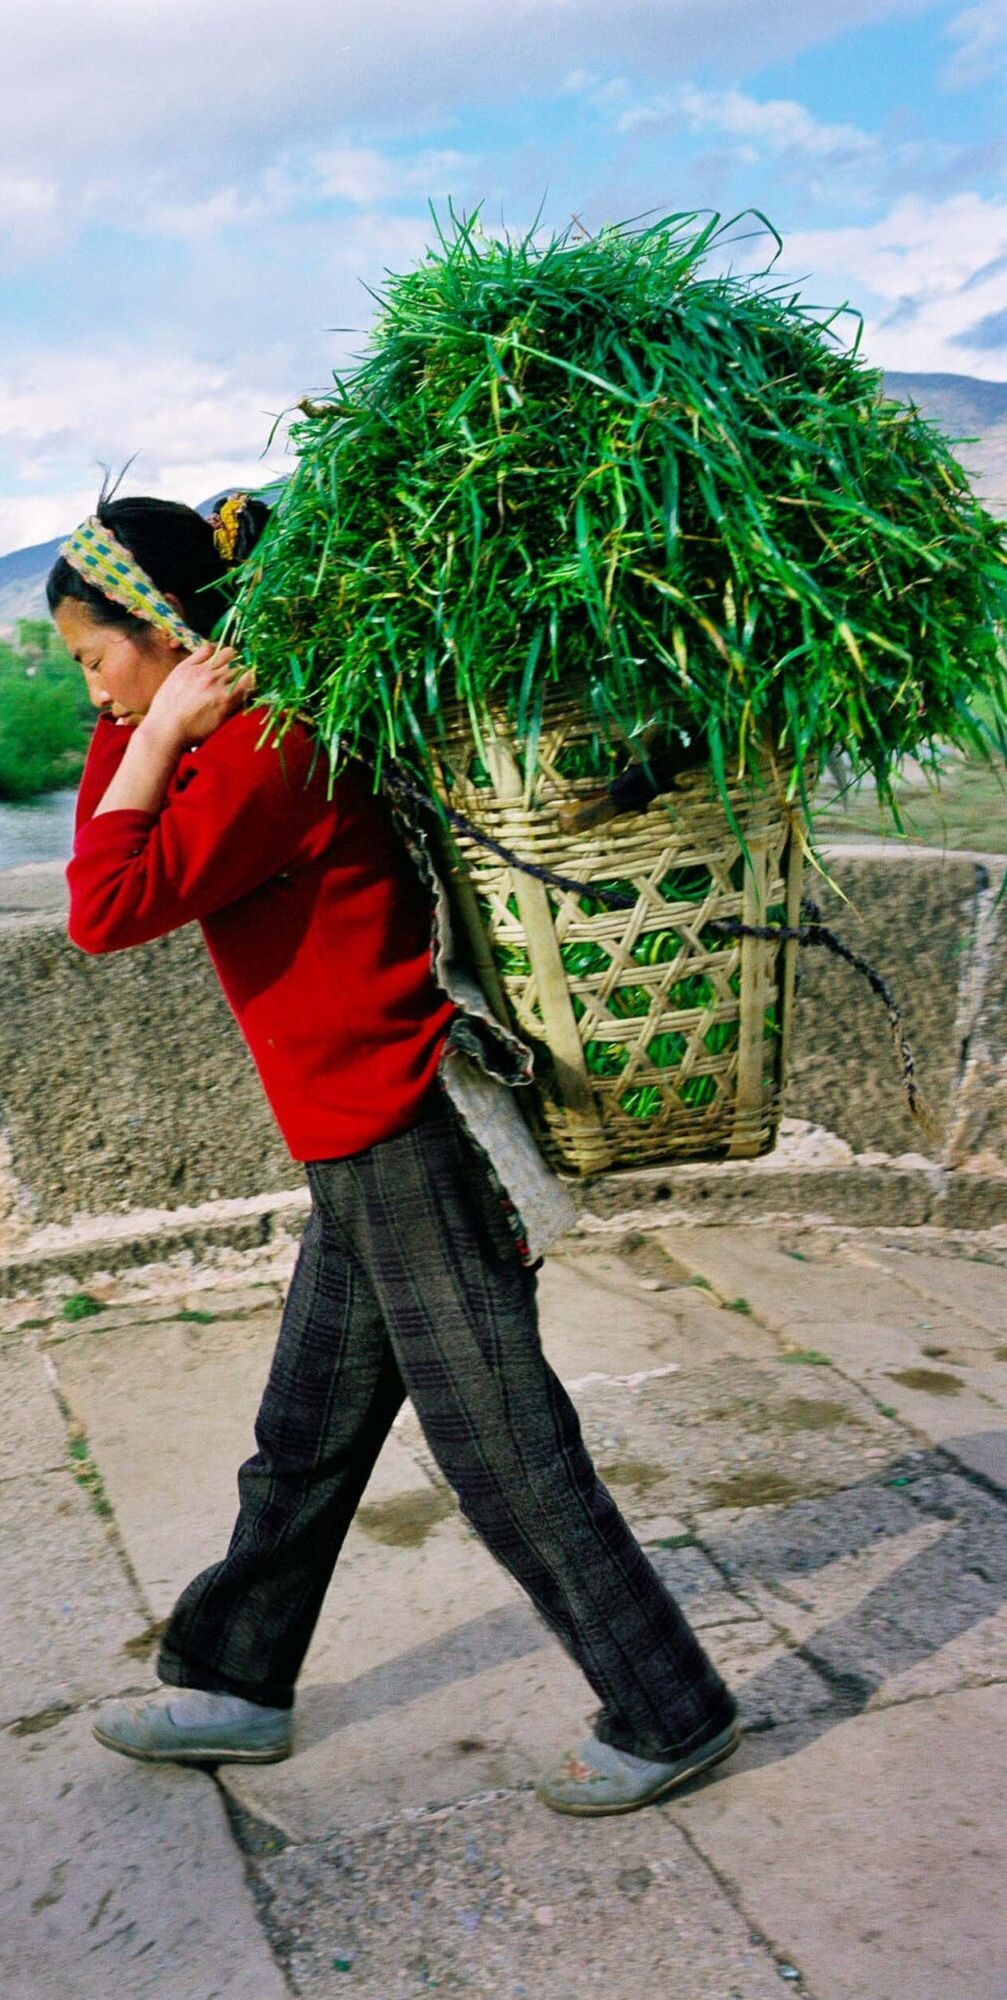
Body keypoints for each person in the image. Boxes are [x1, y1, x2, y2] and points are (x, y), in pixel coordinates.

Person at [51, 493, 740, 1815]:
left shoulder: (268, 747)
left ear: (174, 632)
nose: (95, 692)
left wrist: (153, 733)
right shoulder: (231, 731)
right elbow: (121, 836)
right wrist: (134, 719)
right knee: (303, 1437)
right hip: (360, 1145)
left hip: (411, 1139)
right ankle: (234, 1683)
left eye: (96, 658)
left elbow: (106, 903)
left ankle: (672, 1709)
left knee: (502, 1447)